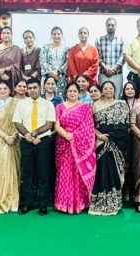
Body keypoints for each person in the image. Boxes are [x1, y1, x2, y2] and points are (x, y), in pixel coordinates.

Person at [12, 78, 56, 215]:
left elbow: (49, 124)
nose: (32, 90)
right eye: (29, 88)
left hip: (43, 141)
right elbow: (17, 123)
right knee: (27, 173)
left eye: (34, 87)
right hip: (26, 141)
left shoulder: (48, 104)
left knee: (43, 173)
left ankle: (43, 204)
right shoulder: (21, 104)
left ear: (40, 88)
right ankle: (27, 203)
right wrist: (29, 136)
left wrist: (35, 134)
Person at [54, 83, 96, 214]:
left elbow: (88, 127)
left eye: (74, 91)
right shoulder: (60, 107)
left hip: (79, 145)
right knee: (64, 172)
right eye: (70, 91)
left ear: (79, 93)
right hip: (63, 143)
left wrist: (73, 136)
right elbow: (56, 125)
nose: (72, 93)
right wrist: (65, 134)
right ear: (66, 93)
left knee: (77, 173)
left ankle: (78, 203)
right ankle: (63, 203)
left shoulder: (85, 108)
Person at [89, 81, 130, 215]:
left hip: (116, 143)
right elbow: (91, 125)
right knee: (100, 172)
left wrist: (110, 136)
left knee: (114, 172)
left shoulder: (122, 104)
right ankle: (99, 203)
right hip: (100, 143)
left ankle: (114, 203)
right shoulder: (95, 105)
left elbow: (124, 126)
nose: (108, 90)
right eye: (105, 88)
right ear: (102, 90)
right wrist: (99, 136)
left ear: (114, 89)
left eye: (110, 88)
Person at [0, 81, 21, 215]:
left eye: (5, 88)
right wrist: (5, 136)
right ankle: (0, 202)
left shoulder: (16, 102)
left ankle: (13, 201)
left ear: (10, 90)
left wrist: (12, 136)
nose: (2, 90)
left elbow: (20, 121)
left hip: (14, 139)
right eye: (0, 88)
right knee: (1, 170)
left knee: (13, 169)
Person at [96, 17, 125, 98]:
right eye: (108, 25)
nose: (110, 27)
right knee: (102, 97)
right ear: (105, 26)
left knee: (117, 97)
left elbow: (123, 56)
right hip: (103, 74)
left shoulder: (122, 39)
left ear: (116, 26)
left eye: (112, 25)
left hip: (117, 75)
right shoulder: (99, 40)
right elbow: (97, 56)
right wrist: (106, 69)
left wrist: (113, 69)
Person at [40, 27, 70, 98]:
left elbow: (67, 62)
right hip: (47, 77)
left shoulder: (67, 48)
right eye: (54, 34)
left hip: (61, 77)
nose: (56, 36)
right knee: (46, 99)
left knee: (61, 99)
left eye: (58, 34)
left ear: (62, 35)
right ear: (51, 36)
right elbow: (42, 60)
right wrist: (51, 73)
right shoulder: (45, 47)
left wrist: (58, 71)